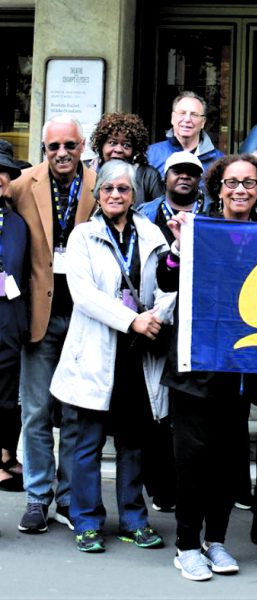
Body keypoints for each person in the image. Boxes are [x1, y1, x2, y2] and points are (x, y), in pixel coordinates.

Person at [157, 153, 257, 581]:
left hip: (239, 369)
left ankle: (218, 542)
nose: (239, 189)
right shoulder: (197, 229)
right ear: (217, 188)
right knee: (193, 460)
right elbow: (167, 279)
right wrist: (176, 248)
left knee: (228, 462)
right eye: (231, 182)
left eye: (249, 183)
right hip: (195, 367)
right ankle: (187, 545)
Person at [50, 160, 170, 553]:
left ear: (134, 194)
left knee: (134, 442)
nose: (116, 195)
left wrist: (156, 317)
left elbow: (170, 285)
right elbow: (83, 295)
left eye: (123, 188)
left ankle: (134, 519)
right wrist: (132, 320)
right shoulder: (83, 235)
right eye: (108, 189)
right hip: (96, 352)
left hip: (137, 356)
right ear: (97, 194)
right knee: (87, 442)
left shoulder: (152, 233)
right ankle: (85, 521)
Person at [8, 115, 97, 534]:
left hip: (84, 317)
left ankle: (68, 495)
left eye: (69, 145)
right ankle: (37, 496)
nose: (62, 153)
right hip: (37, 317)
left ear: (83, 145)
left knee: (77, 413)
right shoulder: (23, 185)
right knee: (37, 410)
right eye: (53, 146)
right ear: (43, 149)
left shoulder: (101, 185)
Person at [0, 143, 28, 494]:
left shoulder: (18, 223)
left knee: (9, 395)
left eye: (2, 172)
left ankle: (6, 454)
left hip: (10, 318)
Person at [89, 113, 164, 206]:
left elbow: (159, 212)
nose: (118, 150)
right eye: (112, 143)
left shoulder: (148, 176)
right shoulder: (88, 170)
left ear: (135, 150)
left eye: (126, 145)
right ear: (101, 145)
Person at [146, 91, 225, 177]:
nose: (187, 119)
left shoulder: (219, 162)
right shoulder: (150, 155)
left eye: (194, 115)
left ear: (203, 122)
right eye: (182, 113)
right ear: (172, 118)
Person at [138, 151, 211, 244]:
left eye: (192, 173)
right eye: (177, 171)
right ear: (165, 177)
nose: (185, 176)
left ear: (199, 180)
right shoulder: (144, 213)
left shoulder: (213, 212)